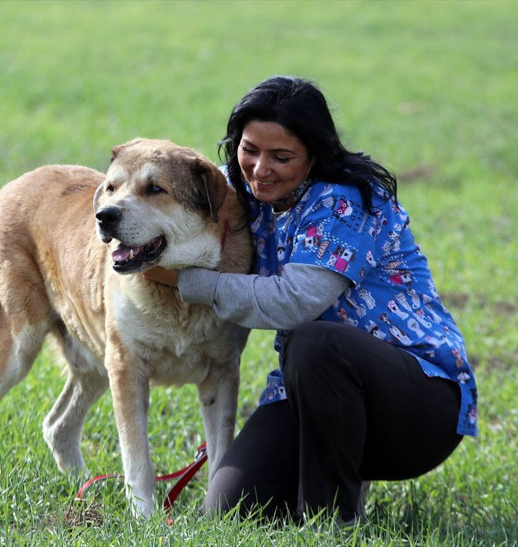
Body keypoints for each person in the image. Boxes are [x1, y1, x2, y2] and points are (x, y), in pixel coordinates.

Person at [143, 75, 478, 525]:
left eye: (282, 157)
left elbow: (292, 302)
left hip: (418, 403)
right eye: (249, 149)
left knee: (316, 340)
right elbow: (164, 206)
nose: (261, 168)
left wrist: (186, 282)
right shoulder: (234, 192)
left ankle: (331, 521)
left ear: (314, 155)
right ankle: (330, 476)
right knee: (231, 507)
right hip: (311, 392)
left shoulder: (345, 202)